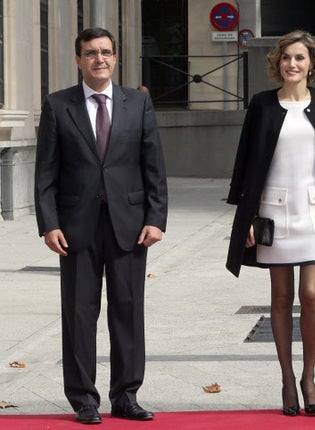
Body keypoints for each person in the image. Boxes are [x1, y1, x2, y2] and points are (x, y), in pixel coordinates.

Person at [34, 27, 168, 424]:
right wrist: (49, 224)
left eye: (106, 52)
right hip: (76, 227)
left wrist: (156, 218)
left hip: (130, 225)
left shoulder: (138, 104)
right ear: (78, 59)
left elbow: (154, 166)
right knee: (79, 313)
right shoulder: (58, 106)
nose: (99, 59)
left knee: (127, 311)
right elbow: (46, 172)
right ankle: (83, 399)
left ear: (115, 57)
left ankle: (126, 395)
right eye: (90, 53)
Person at [226, 30, 315, 416]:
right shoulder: (262, 105)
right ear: (277, 64)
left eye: (300, 58)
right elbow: (245, 162)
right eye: (286, 58)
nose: (292, 64)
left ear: (311, 63)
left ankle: (309, 377)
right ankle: (286, 379)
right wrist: (246, 216)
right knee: (280, 298)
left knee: (311, 296)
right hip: (273, 212)